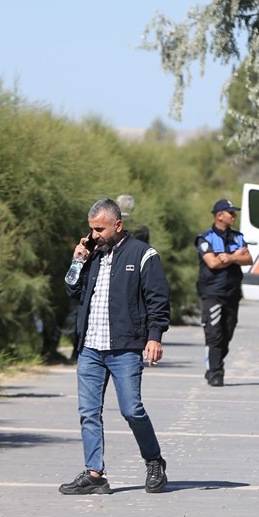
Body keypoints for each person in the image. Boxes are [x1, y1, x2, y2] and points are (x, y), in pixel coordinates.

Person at [60, 198, 170, 495]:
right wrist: (77, 260)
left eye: (100, 229)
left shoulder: (143, 255)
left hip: (125, 348)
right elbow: (72, 290)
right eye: (91, 229)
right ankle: (95, 473)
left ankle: (154, 461)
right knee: (89, 411)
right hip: (91, 349)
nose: (94, 234)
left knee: (132, 410)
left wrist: (154, 336)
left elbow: (158, 299)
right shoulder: (92, 255)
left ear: (117, 225)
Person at [196, 198, 252, 387]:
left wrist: (230, 257)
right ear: (220, 215)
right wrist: (236, 257)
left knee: (227, 332)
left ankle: (213, 364)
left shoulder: (238, 237)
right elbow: (212, 262)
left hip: (232, 293)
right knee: (214, 334)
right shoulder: (205, 238)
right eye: (231, 213)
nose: (234, 216)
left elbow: (248, 259)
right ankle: (216, 373)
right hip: (212, 293)